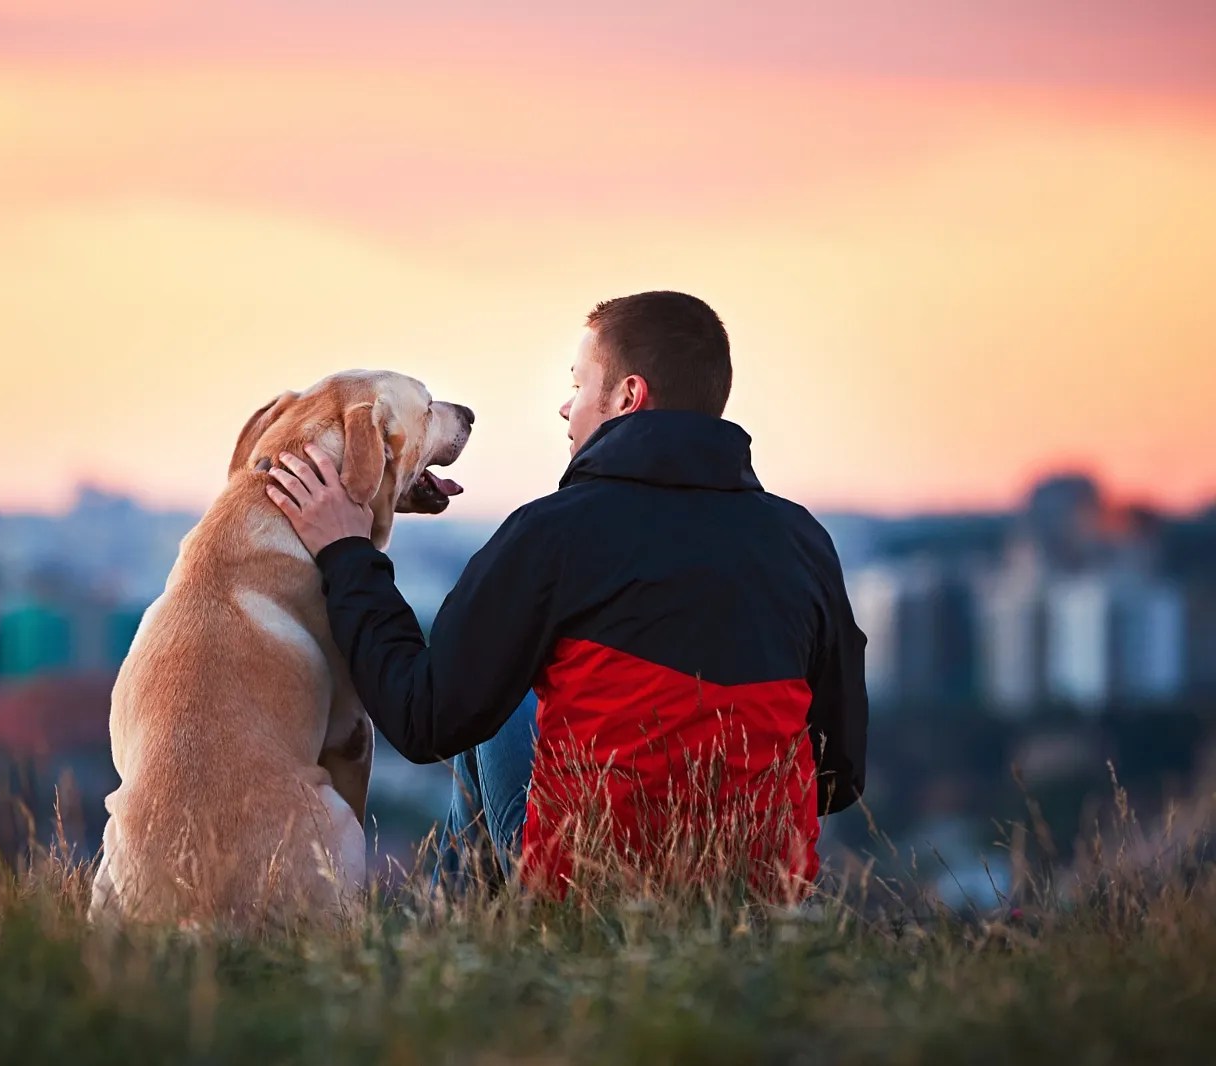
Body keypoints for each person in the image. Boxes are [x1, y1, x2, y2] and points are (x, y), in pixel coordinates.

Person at [264, 290, 867, 899]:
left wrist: (347, 553)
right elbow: (839, 775)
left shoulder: (552, 533)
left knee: (489, 712)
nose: (564, 407)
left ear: (628, 397)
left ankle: (463, 952)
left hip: (594, 889)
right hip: (762, 895)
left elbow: (422, 719)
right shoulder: (803, 544)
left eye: (579, 385)